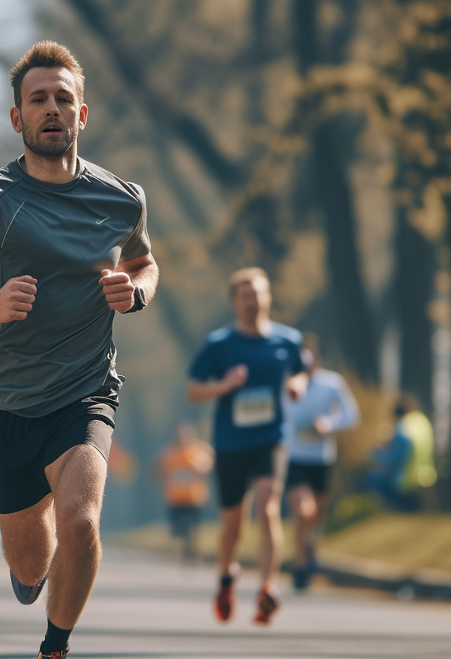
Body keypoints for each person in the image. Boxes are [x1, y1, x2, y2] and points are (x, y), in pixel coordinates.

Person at [0, 40, 158, 659]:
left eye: (63, 99)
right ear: (17, 117)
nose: (52, 109)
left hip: (84, 391)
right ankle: (36, 580)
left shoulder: (120, 198)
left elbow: (145, 261)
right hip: (9, 405)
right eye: (38, 99)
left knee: (81, 522)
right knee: (29, 567)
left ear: (83, 114)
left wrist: (137, 291)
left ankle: (55, 647)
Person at [187, 267, 306, 626]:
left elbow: (301, 370)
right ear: (235, 302)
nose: (253, 301)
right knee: (232, 528)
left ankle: (268, 585)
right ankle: (227, 577)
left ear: (268, 297)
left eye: (258, 294)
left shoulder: (288, 341)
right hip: (230, 443)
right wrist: (223, 386)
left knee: (269, 505)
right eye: (245, 296)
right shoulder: (220, 344)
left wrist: (296, 384)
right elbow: (193, 391)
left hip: (271, 438)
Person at [283, 334, 359, 592]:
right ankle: (301, 563)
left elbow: (351, 414)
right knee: (302, 511)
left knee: (314, 515)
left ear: (316, 355)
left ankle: (308, 551)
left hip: (321, 459)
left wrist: (328, 424)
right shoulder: (285, 384)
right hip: (294, 457)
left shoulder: (331, 384)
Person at [154, 422, 214, 564]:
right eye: (180, 436)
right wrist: (163, 480)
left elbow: (207, 467)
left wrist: (200, 470)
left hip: (194, 498)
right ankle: (181, 549)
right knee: (178, 529)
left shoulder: (198, 453)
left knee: (193, 529)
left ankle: (191, 553)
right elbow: (157, 470)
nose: (182, 439)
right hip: (175, 499)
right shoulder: (168, 454)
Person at [367, 395, 436, 512]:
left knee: (370, 480)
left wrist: (375, 455)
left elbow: (395, 458)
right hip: (428, 474)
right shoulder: (423, 421)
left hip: (407, 479)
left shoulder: (403, 428)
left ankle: (399, 510)